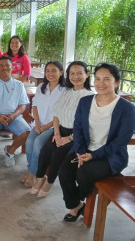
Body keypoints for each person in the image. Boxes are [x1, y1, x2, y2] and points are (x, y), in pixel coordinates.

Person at [58, 63, 135, 222]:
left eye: (107, 79)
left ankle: (75, 204)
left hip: (110, 156)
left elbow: (120, 142)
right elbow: (77, 129)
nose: (101, 83)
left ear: (117, 82)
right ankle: (77, 205)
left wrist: (93, 155)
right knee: (64, 170)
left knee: (83, 173)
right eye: (98, 78)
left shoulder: (127, 108)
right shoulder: (85, 102)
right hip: (84, 149)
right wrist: (79, 151)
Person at [30, 61, 93, 197]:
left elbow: (88, 125)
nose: (75, 76)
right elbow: (56, 113)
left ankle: (49, 182)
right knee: (46, 150)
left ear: (87, 75)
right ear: (68, 75)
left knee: (57, 154)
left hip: (77, 135)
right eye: (72, 73)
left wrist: (69, 138)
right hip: (60, 130)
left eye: (79, 73)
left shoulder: (89, 96)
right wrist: (57, 133)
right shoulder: (67, 91)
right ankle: (40, 179)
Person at [22, 61, 65, 187]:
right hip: (38, 124)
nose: (50, 74)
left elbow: (62, 112)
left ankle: (33, 173)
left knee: (38, 143)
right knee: (29, 142)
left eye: (54, 71)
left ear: (61, 72)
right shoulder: (42, 87)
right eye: (48, 71)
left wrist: (46, 126)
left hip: (54, 126)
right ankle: (31, 171)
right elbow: (34, 105)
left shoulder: (65, 90)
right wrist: (37, 123)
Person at [0, 56, 31, 168]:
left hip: (13, 117)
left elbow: (23, 104)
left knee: (27, 132)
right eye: (1, 65)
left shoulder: (19, 84)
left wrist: (14, 115)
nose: (4, 67)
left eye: (7, 65)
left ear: (12, 67)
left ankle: (10, 151)